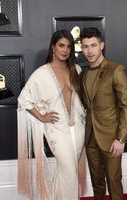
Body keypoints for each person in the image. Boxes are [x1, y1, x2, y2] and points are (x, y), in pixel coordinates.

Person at [17, 29, 86, 200]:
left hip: (78, 128)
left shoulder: (76, 69)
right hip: (56, 130)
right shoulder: (42, 73)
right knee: (69, 170)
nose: (65, 50)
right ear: (53, 47)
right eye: (61, 45)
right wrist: (41, 117)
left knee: (67, 171)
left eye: (69, 46)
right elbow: (23, 99)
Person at [80, 27, 127, 200]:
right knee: (97, 182)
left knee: (114, 181)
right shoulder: (83, 73)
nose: (90, 51)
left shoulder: (115, 70)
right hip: (90, 138)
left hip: (112, 139)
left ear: (101, 45)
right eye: (86, 46)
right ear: (81, 48)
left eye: (93, 45)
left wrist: (121, 139)